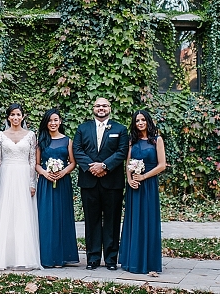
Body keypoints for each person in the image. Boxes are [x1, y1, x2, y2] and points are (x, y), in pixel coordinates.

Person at [0, 103, 41, 270]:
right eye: (12, 115)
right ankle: (2, 255)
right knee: (4, 215)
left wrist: (32, 183)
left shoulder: (30, 135)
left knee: (22, 215)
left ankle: (23, 256)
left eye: (18, 115)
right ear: (8, 117)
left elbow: (32, 161)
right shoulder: (0, 136)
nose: (15, 118)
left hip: (23, 176)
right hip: (6, 176)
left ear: (23, 117)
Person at [72, 97, 129, 271]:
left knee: (112, 221)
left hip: (112, 182)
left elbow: (122, 151)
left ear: (110, 108)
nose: (101, 108)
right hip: (89, 182)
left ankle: (111, 259)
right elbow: (77, 150)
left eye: (104, 105)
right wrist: (92, 168)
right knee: (91, 221)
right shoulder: (83, 128)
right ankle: (93, 258)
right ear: (93, 108)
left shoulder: (120, 129)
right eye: (98, 105)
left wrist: (104, 166)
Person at [119, 109, 166, 274]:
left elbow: (162, 165)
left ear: (148, 121)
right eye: (137, 120)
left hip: (149, 185)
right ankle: (132, 260)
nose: (140, 123)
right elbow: (128, 162)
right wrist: (130, 179)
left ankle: (149, 261)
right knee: (134, 220)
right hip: (134, 187)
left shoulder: (156, 140)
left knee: (148, 220)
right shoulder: (132, 141)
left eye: (143, 120)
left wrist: (144, 176)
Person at [35, 108, 79, 268]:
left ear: (60, 121)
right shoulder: (41, 140)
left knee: (62, 216)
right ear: (46, 123)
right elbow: (37, 164)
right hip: (46, 183)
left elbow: (73, 162)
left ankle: (61, 256)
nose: (53, 123)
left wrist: (63, 172)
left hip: (62, 183)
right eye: (50, 120)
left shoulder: (68, 140)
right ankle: (46, 256)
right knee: (45, 217)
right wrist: (46, 174)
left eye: (55, 120)